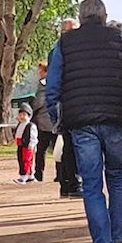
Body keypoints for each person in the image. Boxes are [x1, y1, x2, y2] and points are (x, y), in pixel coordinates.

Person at [46, 0, 122, 243]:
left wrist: (57, 118)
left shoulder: (65, 43)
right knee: (117, 177)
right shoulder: (119, 39)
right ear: (105, 16)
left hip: (81, 122)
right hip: (115, 118)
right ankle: (119, 239)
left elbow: (53, 85)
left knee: (91, 184)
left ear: (80, 18)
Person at [52, 18, 82, 198]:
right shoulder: (60, 51)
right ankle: (72, 182)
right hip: (67, 104)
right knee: (71, 145)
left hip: (71, 103)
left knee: (69, 145)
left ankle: (67, 183)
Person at [29, 61, 56, 182]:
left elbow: (39, 102)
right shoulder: (57, 82)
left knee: (41, 150)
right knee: (58, 150)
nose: (38, 74)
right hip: (56, 121)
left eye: (40, 71)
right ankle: (60, 174)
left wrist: (31, 109)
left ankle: (39, 173)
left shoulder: (43, 84)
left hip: (44, 122)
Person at [13, 103, 38, 184]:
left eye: (24, 114)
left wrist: (31, 144)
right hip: (20, 145)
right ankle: (30, 176)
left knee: (26, 160)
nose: (22, 117)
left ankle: (24, 176)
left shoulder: (31, 126)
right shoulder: (20, 125)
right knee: (21, 159)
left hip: (27, 146)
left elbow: (33, 137)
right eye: (20, 115)